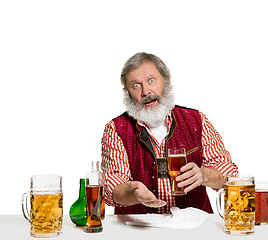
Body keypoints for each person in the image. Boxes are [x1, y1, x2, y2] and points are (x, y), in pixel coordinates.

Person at [101, 52, 238, 214]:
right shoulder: (116, 128)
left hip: (194, 226)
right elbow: (112, 189)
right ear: (128, 93)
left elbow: (229, 175)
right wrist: (134, 194)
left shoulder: (196, 119)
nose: (146, 91)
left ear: (166, 81)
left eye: (151, 80)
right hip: (140, 228)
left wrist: (204, 175)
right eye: (136, 85)